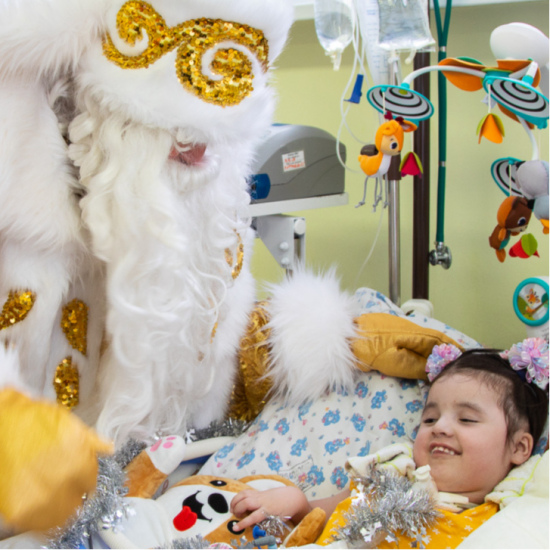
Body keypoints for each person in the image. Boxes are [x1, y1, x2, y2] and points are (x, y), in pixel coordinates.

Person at [230, 338, 549, 548]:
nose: (440, 428)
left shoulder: (506, 518)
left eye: (467, 419)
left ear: (519, 448)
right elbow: (319, 516)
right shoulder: (386, 477)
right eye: (429, 419)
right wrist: (297, 503)